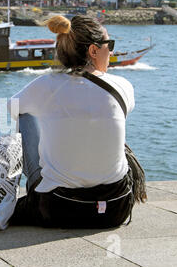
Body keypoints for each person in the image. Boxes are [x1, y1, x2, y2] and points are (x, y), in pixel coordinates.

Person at [8, 15, 146, 229]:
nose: (111, 51)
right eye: (109, 45)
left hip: (58, 209)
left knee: (25, 113)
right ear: (93, 50)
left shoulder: (45, 85)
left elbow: (11, 107)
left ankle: (34, 186)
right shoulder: (122, 86)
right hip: (115, 209)